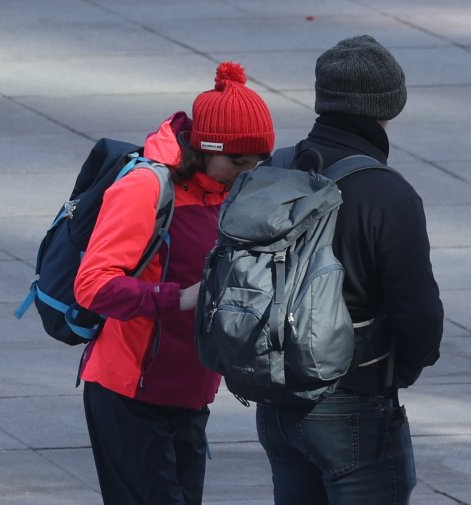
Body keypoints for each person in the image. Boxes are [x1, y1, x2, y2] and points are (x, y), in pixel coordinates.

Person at [74, 61, 274, 505]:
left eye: (257, 163)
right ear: (205, 148)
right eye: (237, 161)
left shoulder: (230, 194)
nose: (247, 173)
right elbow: (92, 285)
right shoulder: (146, 188)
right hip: (129, 394)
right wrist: (180, 298)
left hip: (190, 394)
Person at [255, 35, 444, 505]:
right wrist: (399, 370)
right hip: (353, 402)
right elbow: (419, 315)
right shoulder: (388, 195)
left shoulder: (275, 170)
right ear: (389, 104)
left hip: (276, 402)